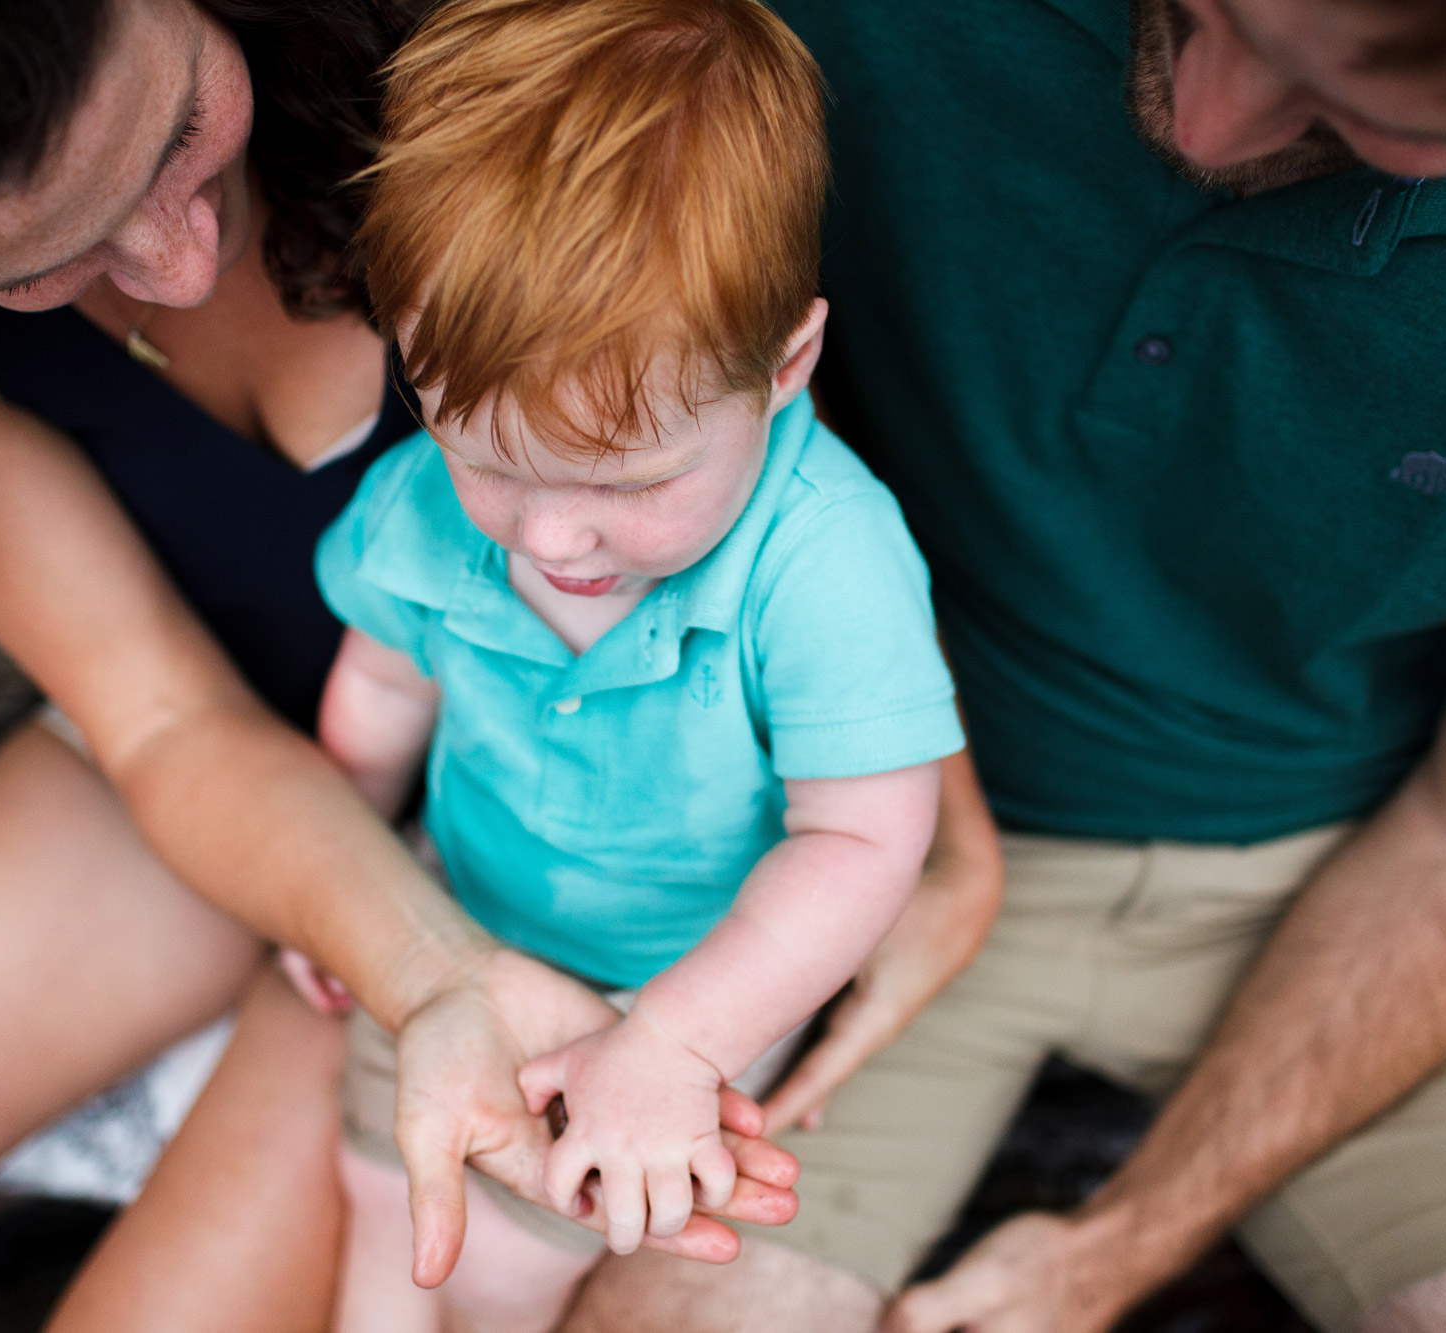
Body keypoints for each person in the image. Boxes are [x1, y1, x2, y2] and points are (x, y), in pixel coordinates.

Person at [0, 1, 797, 1329]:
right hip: (210, 734)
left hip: (552, 800)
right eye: (36, 267)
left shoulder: (503, 65)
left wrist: (455, 961)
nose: (178, 259)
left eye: (177, 138)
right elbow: (160, 719)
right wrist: (423, 968)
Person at [553, 1, 1446, 1331]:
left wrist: (1116, 1249)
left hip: (1379, 871)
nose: (1202, 126)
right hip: (857, 819)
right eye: (1193, 10)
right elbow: (649, 415)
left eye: (1365, 113)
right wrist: (929, 823)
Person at [281, 4, 968, 1328]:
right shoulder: (427, 509)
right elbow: (380, 688)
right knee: (383, 1187)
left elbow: (863, 842)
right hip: (463, 918)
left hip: (689, 976)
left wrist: (676, 1041)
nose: (548, 537)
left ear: (786, 368)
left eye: (627, 482)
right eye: (483, 456)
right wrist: (343, 860)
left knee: (511, 1262)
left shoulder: (826, 564)